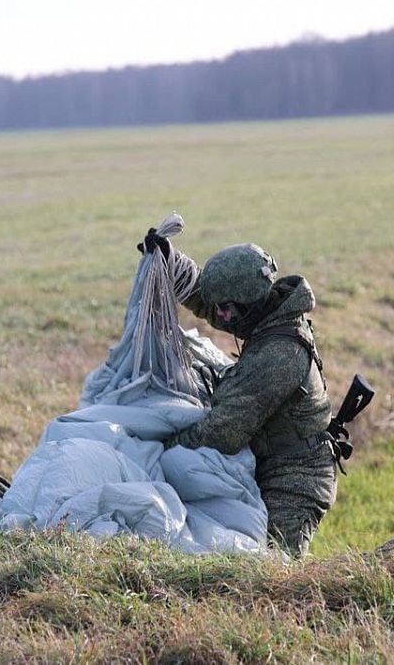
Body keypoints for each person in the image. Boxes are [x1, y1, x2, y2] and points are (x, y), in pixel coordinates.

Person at [140, 230, 337, 556]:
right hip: (268, 461)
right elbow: (208, 299)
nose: (223, 317)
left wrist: (154, 451)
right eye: (222, 308)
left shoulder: (277, 355)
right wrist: (171, 262)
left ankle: (386, 566)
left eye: (229, 309)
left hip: (295, 478)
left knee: (274, 571)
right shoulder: (266, 312)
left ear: (250, 303)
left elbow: (224, 431)